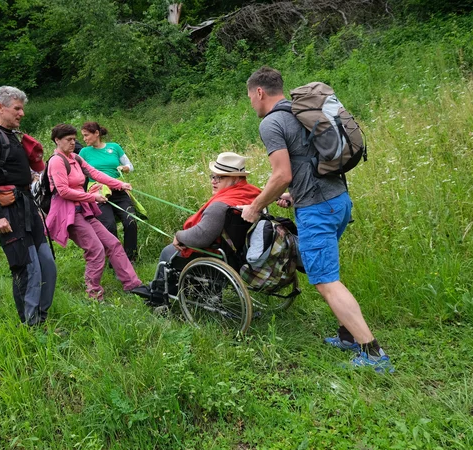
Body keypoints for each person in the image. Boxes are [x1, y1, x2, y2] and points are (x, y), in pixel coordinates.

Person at [242, 66, 393, 373]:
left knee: (325, 280)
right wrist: (294, 195)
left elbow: (282, 174)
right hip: (338, 200)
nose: (251, 104)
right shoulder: (300, 113)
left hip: (318, 210)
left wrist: (256, 206)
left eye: (250, 97)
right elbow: (310, 163)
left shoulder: (272, 122)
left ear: (259, 92)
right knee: (325, 270)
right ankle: (348, 335)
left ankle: (373, 353)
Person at [0, 86, 56, 326]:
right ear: (0, 107)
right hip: (8, 211)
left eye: (22, 108)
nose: (21, 113)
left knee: (47, 265)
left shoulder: (12, 135)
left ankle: (42, 315)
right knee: (27, 268)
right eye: (17, 108)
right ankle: (32, 326)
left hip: (27, 206)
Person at [138, 152, 261, 306]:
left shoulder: (221, 205)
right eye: (213, 176)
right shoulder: (254, 195)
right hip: (241, 253)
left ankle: (159, 297)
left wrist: (179, 235)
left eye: (220, 177)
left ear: (236, 178)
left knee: (168, 252)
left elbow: (201, 236)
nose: (213, 181)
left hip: (220, 256)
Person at [45, 123, 148, 301]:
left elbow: (95, 173)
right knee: (96, 250)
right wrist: (92, 197)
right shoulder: (56, 162)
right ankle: (94, 295)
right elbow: (63, 191)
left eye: (74, 139)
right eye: (68, 140)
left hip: (83, 210)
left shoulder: (75, 158)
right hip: (69, 213)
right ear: (57, 140)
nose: (73, 143)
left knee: (113, 243)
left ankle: (133, 284)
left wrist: (120, 184)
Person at [79, 122, 141, 262]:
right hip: (99, 193)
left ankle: (130, 258)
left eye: (86, 135)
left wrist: (124, 168)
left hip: (118, 189)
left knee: (130, 221)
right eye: (83, 136)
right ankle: (116, 260)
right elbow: (80, 174)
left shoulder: (115, 147)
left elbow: (130, 166)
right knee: (109, 226)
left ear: (96, 133)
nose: (84, 139)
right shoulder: (84, 152)